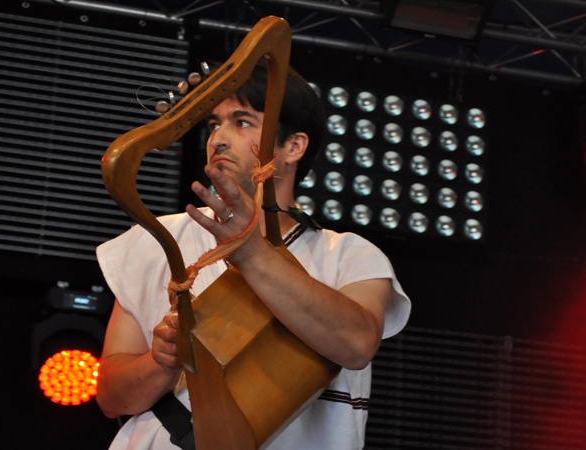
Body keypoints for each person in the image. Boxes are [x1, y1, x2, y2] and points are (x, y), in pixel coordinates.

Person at [95, 60, 411, 450]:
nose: (218, 138)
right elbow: (111, 398)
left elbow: (357, 343)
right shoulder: (161, 238)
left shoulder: (349, 255)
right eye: (214, 124)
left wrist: (251, 252)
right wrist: (163, 361)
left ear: (292, 146)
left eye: (242, 122)